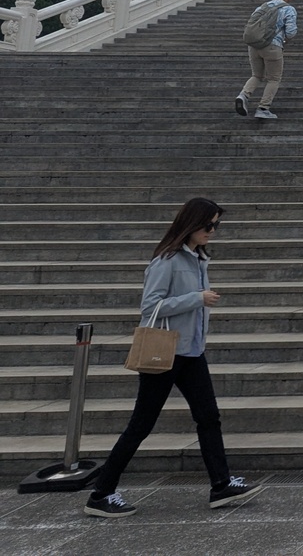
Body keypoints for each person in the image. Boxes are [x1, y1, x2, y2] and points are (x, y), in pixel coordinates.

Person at [84, 198, 260, 517]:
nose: (212, 230)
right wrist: (196, 298)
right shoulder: (167, 260)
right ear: (191, 224)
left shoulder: (198, 258)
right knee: (141, 424)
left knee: (209, 417)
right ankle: (101, 493)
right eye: (208, 225)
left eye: (216, 225)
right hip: (165, 353)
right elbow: (150, 307)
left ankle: (221, 484)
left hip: (192, 352)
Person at [235, 0, 296, 121]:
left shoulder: (263, 6)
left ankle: (243, 95)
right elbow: (291, 32)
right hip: (273, 46)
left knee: (257, 75)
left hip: (254, 45)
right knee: (274, 78)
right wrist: (285, 40)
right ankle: (263, 108)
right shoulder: (289, 9)